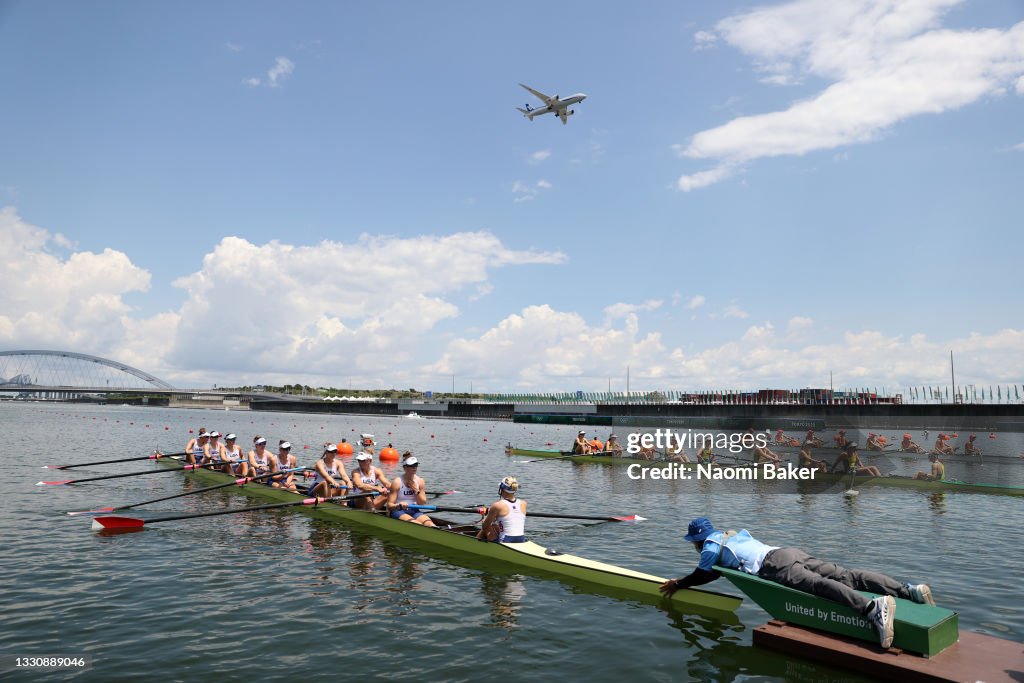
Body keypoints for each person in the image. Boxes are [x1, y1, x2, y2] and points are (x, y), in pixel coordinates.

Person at [658, 517, 935, 649]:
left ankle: (872, 609)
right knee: (847, 574)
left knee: (817, 586)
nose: (694, 547)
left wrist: (678, 584)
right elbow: (718, 572)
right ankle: (908, 590)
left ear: (697, 540)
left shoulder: (708, 547)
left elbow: (702, 574)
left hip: (774, 566)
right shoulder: (731, 533)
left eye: (692, 543)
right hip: (787, 552)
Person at [386, 455, 436, 526]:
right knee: (417, 524)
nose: (414, 468)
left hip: (414, 510)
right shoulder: (397, 482)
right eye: (411, 466)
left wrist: (416, 490)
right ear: (405, 467)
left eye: (416, 465)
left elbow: (422, 503)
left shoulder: (420, 481)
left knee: (430, 524)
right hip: (398, 510)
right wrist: (399, 505)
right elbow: (389, 505)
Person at [476, 476, 527, 543]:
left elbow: (485, 525)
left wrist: (486, 515)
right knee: (495, 526)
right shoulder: (523, 503)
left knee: (486, 525)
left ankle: (474, 543)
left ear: (502, 489)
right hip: (521, 539)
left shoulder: (497, 505)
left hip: (506, 541)